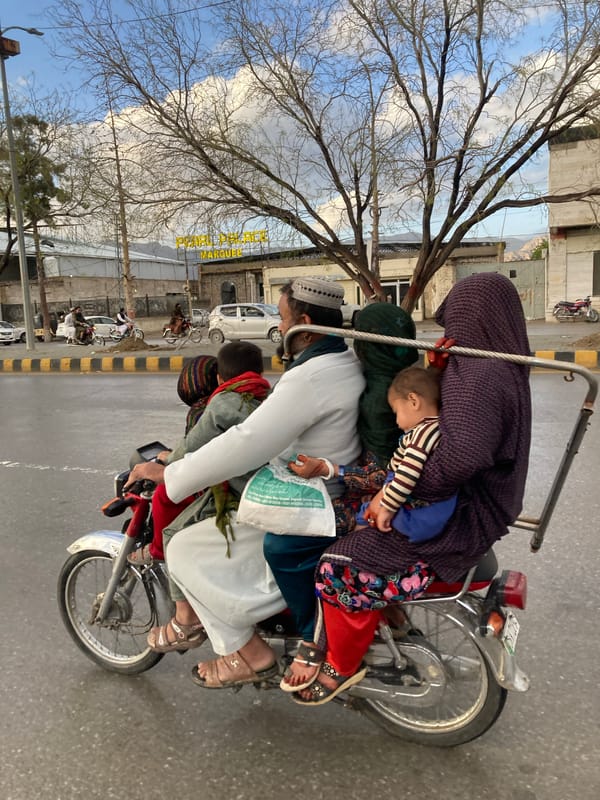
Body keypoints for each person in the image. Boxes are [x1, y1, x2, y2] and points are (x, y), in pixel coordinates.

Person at [291, 272, 532, 706]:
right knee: (356, 528)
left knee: (335, 564)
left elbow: (461, 457)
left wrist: (394, 495)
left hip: (458, 519)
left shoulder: (481, 376)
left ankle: (341, 665)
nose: (448, 332)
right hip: (471, 506)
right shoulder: (499, 365)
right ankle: (388, 618)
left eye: (454, 321)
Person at [125, 276, 365, 688]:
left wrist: (174, 474)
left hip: (307, 502)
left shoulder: (309, 377)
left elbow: (247, 441)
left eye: (285, 318)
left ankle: (248, 654)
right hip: (329, 488)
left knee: (183, 547)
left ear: (304, 325)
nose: (281, 328)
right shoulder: (344, 362)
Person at [267, 302, 419, 692]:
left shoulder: (384, 396)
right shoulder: (411, 377)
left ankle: (312, 639)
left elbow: (389, 474)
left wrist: (330, 470)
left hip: (393, 500)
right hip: (412, 496)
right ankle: (392, 613)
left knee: (286, 543)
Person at [364, 365, 457, 539]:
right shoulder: (439, 427)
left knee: (367, 514)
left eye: (397, 412)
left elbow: (408, 472)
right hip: (434, 513)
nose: (397, 422)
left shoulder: (423, 433)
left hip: (417, 520)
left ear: (413, 401)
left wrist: (388, 506)